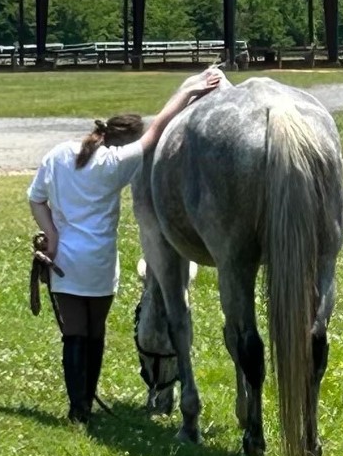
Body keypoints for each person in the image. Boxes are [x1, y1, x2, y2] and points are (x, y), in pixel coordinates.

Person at [27, 69, 223, 424]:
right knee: (95, 333)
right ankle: (87, 398)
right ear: (123, 141)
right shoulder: (117, 164)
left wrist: (52, 236)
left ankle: (78, 409)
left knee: (73, 334)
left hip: (65, 260)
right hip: (100, 263)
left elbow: (35, 199)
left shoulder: (58, 155)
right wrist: (190, 89)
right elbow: (160, 126)